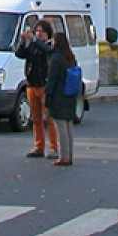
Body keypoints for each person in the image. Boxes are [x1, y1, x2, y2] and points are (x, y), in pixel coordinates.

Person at [16, 15, 56, 161]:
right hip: (32, 84)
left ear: (47, 33)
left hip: (44, 85)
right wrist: (22, 42)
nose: (39, 34)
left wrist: (34, 40)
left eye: (42, 31)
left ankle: (53, 147)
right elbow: (20, 54)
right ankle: (39, 146)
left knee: (49, 119)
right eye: (37, 31)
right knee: (36, 118)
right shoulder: (33, 45)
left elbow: (47, 50)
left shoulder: (49, 45)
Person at [43, 20, 82, 167]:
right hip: (70, 93)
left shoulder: (56, 58)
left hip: (59, 95)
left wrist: (48, 95)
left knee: (61, 127)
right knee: (68, 126)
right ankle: (69, 155)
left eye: (52, 40)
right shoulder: (70, 57)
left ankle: (63, 156)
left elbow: (52, 79)